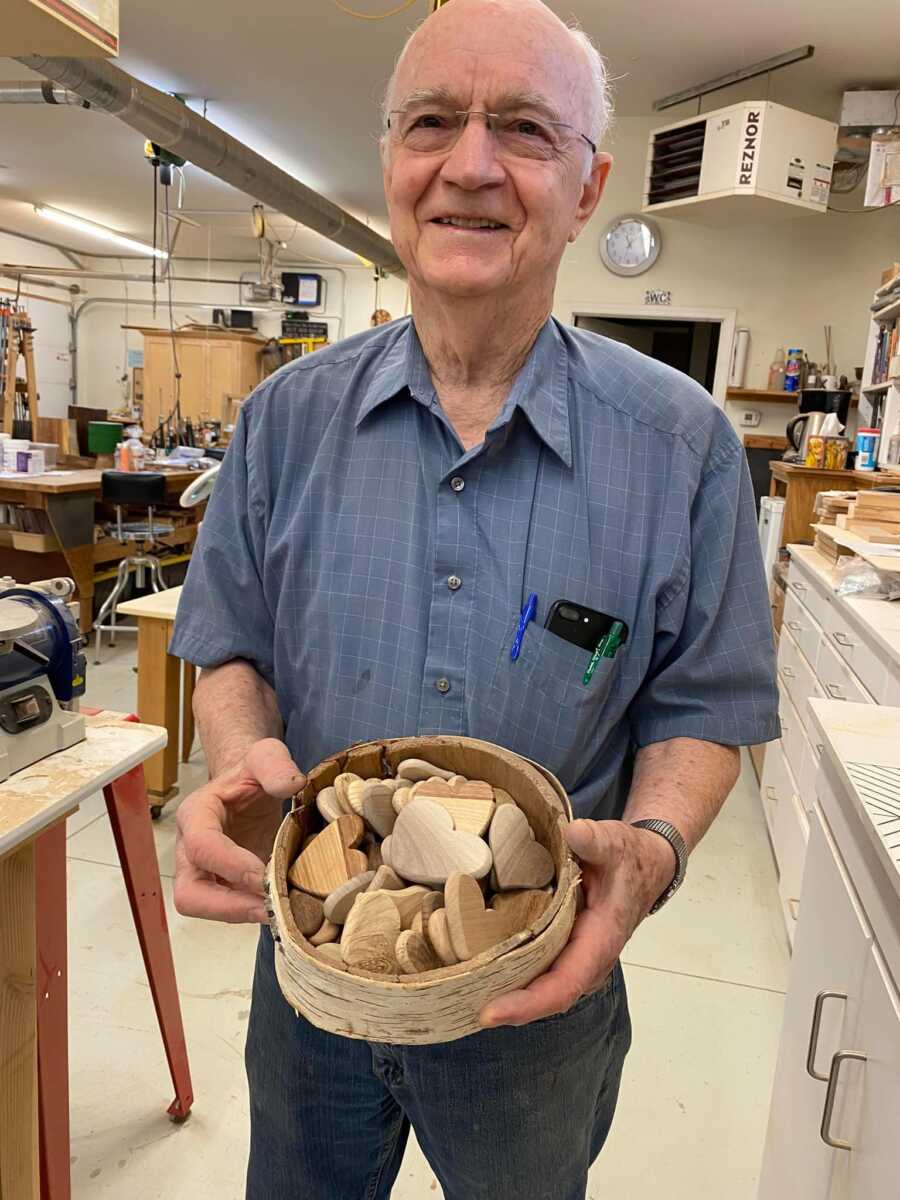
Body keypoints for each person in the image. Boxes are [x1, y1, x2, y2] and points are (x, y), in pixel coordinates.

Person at [169, 1, 779, 1196]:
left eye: (524, 129)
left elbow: (702, 709)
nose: (471, 165)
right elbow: (228, 650)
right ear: (392, 162)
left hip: (533, 994)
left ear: (590, 184)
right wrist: (241, 773)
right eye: (434, 123)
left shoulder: (683, 446)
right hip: (316, 965)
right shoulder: (284, 423)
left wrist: (649, 856)